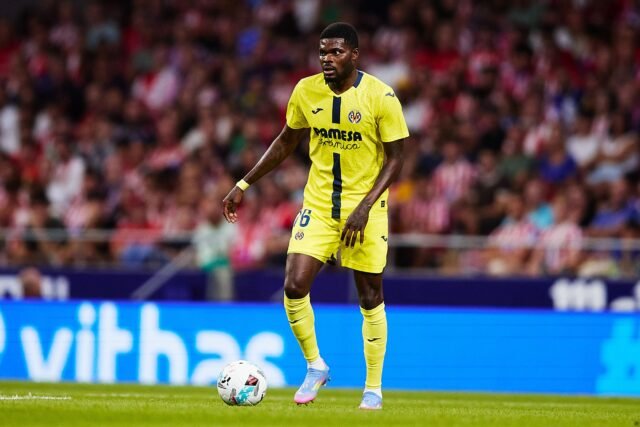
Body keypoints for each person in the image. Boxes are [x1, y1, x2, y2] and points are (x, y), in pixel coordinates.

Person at [222, 22, 408, 410]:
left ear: (354, 55)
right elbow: (286, 141)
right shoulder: (306, 91)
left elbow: (397, 159)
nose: (327, 58)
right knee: (294, 285)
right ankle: (315, 365)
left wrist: (365, 206)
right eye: (323, 52)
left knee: (370, 297)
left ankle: (373, 388)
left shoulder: (381, 96)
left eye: (336, 52)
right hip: (320, 206)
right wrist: (244, 183)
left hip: (366, 210)